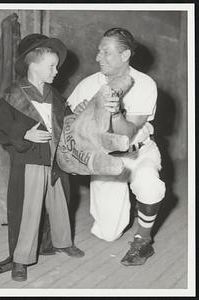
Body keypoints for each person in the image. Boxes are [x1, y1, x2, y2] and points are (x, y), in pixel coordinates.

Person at [67, 28, 166, 266]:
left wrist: (116, 112)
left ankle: (144, 238)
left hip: (137, 152)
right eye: (99, 51)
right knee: (108, 233)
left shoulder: (144, 83)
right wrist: (79, 114)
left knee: (149, 184)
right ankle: (135, 208)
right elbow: (68, 117)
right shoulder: (90, 83)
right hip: (107, 159)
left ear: (125, 55)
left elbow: (128, 132)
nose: (98, 57)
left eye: (106, 52)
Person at [0, 33, 84, 282]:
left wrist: (78, 119)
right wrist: (23, 134)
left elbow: (69, 124)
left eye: (56, 66)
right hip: (30, 160)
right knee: (29, 208)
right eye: (51, 66)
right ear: (33, 65)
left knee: (60, 201)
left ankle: (63, 242)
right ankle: (21, 258)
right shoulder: (12, 96)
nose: (56, 71)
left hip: (56, 159)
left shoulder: (57, 97)